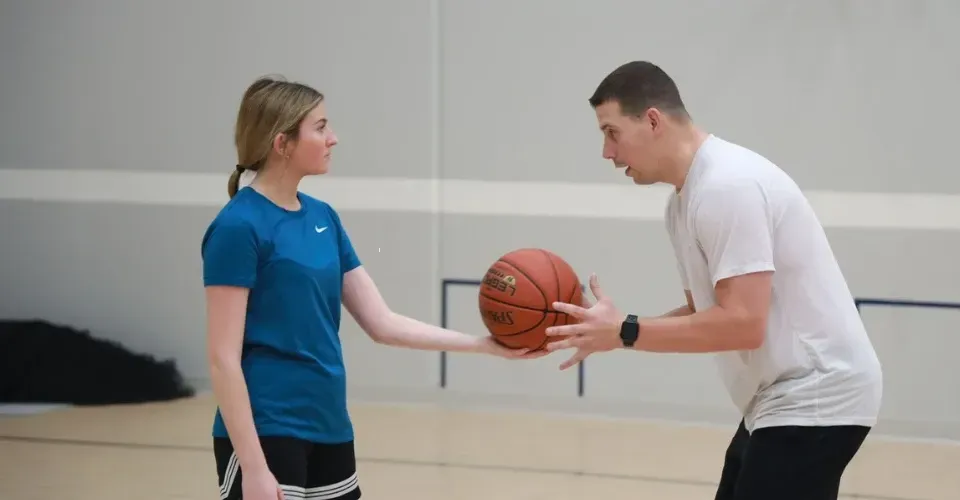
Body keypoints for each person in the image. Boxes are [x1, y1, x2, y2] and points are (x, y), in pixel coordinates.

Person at [544, 61, 884, 500]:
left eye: (611, 133)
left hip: (816, 395)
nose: (607, 153)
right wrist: (615, 331)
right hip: (780, 400)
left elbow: (741, 324)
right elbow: (709, 314)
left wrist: (625, 331)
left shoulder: (727, 186)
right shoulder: (683, 203)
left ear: (652, 120)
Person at [202, 75, 543, 500]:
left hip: (329, 425)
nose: (334, 138)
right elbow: (222, 358)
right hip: (267, 429)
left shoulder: (323, 216)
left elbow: (382, 323)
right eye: (321, 127)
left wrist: (486, 345)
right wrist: (252, 466)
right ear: (282, 142)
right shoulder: (239, 226)